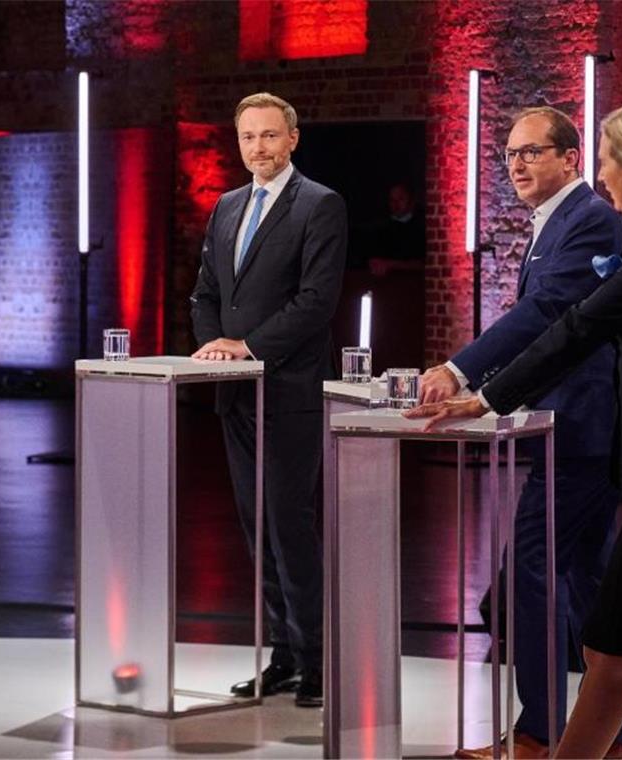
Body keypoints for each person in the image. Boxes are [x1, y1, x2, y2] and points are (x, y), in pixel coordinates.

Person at [409, 102, 622, 759]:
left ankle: (542, 742)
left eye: (601, 160)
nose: (599, 174)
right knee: (621, 647)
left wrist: (484, 395)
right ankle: (569, 747)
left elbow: (576, 325)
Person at [419, 106, 622, 759]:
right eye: (510, 154)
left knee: (531, 570)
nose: (516, 164)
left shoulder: (590, 219)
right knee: (588, 579)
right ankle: (605, 736)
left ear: (570, 158)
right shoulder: (553, 224)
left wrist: (462, 372)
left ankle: (539, 735)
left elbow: (546, 313)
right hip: (570, 424)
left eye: (532, 152)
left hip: (583, 426)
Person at [190, 92, 347, 707]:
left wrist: (248, 345)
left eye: (269, 136)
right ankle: (283, 655)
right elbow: (205, 294)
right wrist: (216, 351)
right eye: (248, 137)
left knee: (289, 526)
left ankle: (317, 661)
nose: (258, 147)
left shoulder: (320, 205)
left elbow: (316, 301)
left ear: (292, 139)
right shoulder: (227, 206)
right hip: (236, 395)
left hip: (290, 390)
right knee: (258, 531)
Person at [367, 182, 424, 277]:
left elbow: (426, 264)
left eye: (401, 199)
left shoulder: (422, 227)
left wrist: (391, 264)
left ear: (412, 201)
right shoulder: (381, 229)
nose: (396, 204)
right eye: (392, 200)